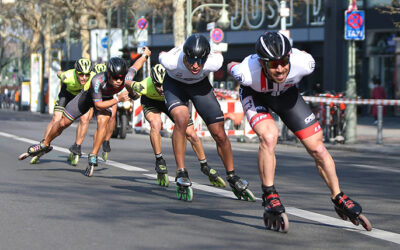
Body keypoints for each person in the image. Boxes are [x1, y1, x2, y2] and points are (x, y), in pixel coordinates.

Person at [228, 32, 371, 232]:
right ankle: (269, 193)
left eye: (283, 62)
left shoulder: (304, 63)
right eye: (273, 64)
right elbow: (230, 65)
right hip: (256, 95)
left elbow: (301, 54)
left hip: (287, 96)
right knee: (269, 136)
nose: (279, 68)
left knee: (317, 148)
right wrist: (233, 67)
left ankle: (338, 196)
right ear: (261, 63)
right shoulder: (246, 72)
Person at [19, 47, 151, 178]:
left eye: (121, 78)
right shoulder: (97, 81)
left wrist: (145, 55)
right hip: (88, 98)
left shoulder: (126, 76)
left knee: (103, 121)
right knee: (63, 123)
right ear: (108, 74)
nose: (118, 81)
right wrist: (118, 98)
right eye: (115, 78)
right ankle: (45, 144)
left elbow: (136, 65)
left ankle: (93, 154)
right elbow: (98, 105)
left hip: (108, 98)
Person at [159, 34, 254, 201]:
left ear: (206, 58)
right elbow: (161, 53)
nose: (196, 66)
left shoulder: (214, 61)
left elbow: (219, 58)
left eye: (200, 62)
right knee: (182, 119)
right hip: (175, 85)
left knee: (219, 133)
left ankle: (232, 176)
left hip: (199, 86)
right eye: (191, 61)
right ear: (185, 56)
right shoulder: (171, 61)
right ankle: (181, 171)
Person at [128, 63, 226, 188]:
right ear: (152, 81)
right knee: (155, 124)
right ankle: (160, 160)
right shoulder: (144, 85)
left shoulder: (174, 82)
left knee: (191, 134)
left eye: (163, 84)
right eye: (157, 85)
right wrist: (131, 93)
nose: (161, 88)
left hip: (170, 100)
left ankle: (204, 165)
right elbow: (127, 83)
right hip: (151, 102)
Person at [30, 58, 96, 165]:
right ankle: (44, 144)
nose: (84, 77)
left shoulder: (93, 78)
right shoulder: (68, 76)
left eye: (87, 74)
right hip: (67, 94)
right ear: (75, 72)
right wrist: (60, 73)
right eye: (81, 74)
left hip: (82, 97)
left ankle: (77, 147)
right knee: (56, 118)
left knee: (85, 119)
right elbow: (58, 73)